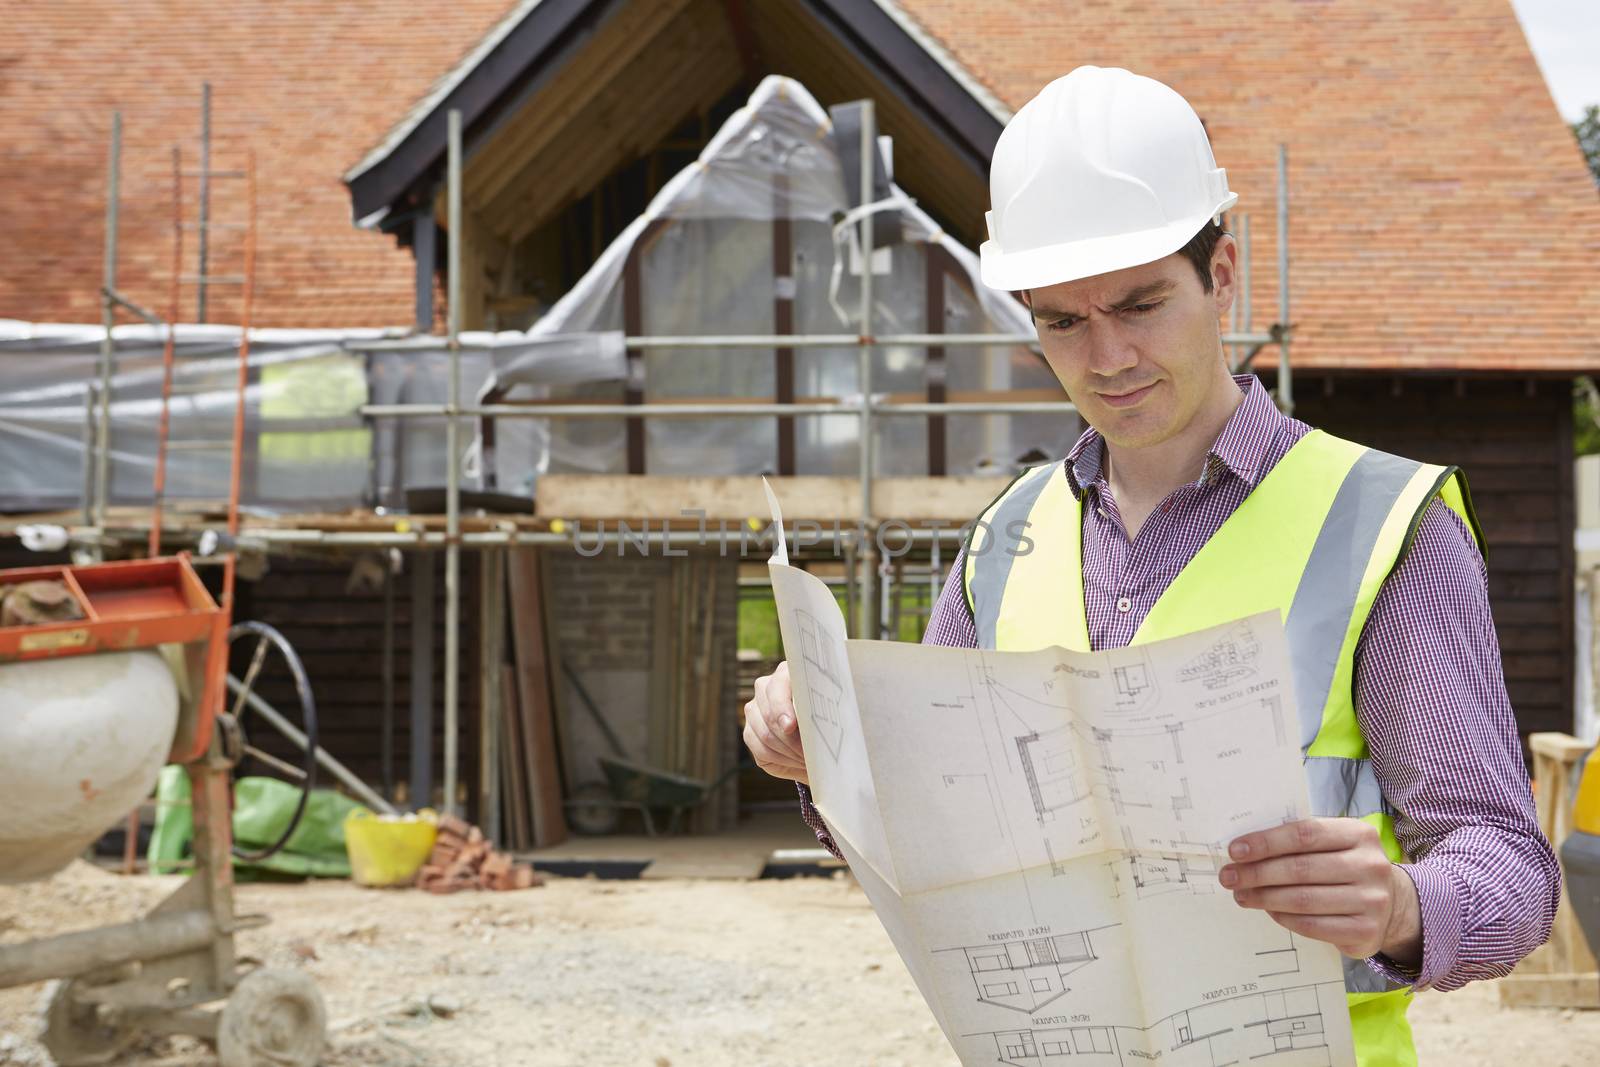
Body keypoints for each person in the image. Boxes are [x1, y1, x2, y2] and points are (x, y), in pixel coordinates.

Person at [742, 66, 1559, 1065]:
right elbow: (928, 835)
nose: (1108, 356)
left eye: (1139, 304)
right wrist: (821, 756)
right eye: (1063, 321)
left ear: (1218, 280)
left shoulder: (1382, 525)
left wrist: (1399, 904)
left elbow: (1510, 872)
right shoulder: (1005, 539)